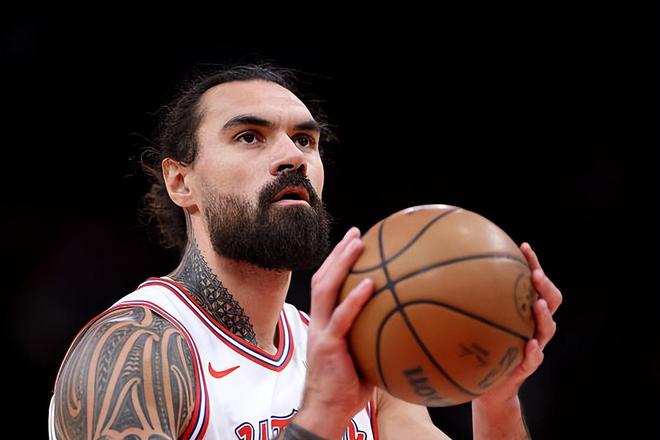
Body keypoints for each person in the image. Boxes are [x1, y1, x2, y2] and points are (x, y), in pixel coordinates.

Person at [49, 64, 562, 440]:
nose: (292, 156)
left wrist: (496, 395)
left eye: (305, 140)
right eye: (249, 137)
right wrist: (322, 414)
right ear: (182, 181)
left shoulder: (360, 352)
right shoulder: (133, 352)